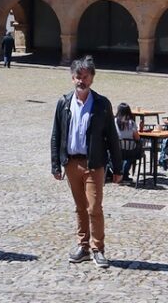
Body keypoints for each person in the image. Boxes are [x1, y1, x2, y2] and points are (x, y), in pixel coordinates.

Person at [50, 56, 122, 268]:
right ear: (72, 78)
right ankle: (83, 246)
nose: (81, 80)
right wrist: (56, 164)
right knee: (80, 207)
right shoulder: (64, 103)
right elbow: (56, 134)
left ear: (92, 78)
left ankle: (98, 249)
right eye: (77, 76)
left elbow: (112, 137)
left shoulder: (101, 104)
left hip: (94, 163)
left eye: (85, 76)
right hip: (71, 163)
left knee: (94, 207)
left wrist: (118, 168)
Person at [113, 103, 139, 183]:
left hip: (117, 150)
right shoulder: (131, 123)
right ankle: (125, 172)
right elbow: (137, 138)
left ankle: (118, 172)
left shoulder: (114, 121)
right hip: (130, 152)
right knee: (135, 152)